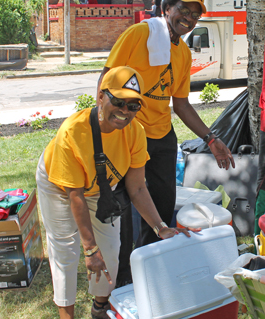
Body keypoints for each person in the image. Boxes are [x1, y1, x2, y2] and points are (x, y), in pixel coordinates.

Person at [97, 0, 235, 286]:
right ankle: (122, 280)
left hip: (162, 138)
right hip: (127, 134)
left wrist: (211, 139)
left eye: (195, 15)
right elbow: (106, 77)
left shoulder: (183, 53)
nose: (188, 18)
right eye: (183, 10)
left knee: (159, 208)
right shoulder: (139, 35)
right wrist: (102, 128)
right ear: (167, 9)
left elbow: (181, 104)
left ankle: (148, 269)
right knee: (121, 212)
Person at [36, 66, 193, 319]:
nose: (124, 111)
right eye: (118, 101)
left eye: (133, 106)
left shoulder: (135, 133)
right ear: (100, 97)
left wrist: (160, 226)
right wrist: (89, 249)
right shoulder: (72, 133)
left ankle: (100, 307)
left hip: (100, 187)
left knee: (110, 250)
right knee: (66, 251)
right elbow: (75, 195)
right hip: (59, 185)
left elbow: (138, 187)